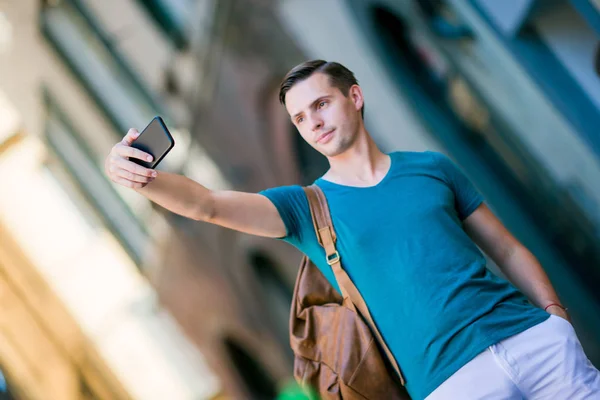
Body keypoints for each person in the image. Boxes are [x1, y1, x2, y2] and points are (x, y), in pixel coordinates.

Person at [104, 60, 600, 399]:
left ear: (354, 97)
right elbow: (207, 205)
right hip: (450, 385)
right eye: (299, 118)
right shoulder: (304, 208)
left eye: (320, 105)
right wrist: (139, 175)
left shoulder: (431, 167)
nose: (312, 122)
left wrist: (554, 317)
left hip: (534, 341)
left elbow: (506, 249)